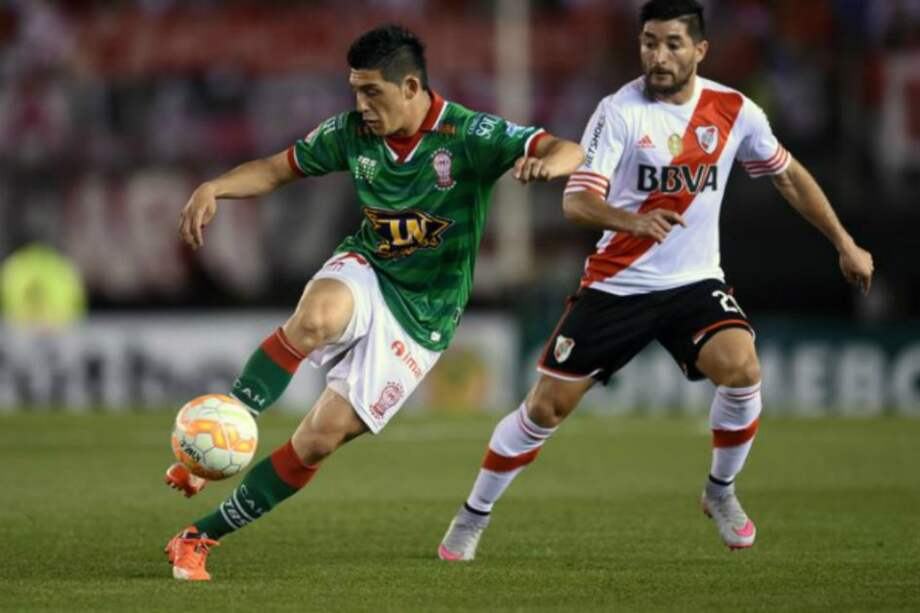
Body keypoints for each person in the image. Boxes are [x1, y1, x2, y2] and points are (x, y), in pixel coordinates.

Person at [437, 0, 874, 561]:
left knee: (742, 368)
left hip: (694, 283)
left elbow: (787, 177)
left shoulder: (734, 110)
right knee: (545, 409)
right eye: (649, 42)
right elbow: (578, 201)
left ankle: (719, 491)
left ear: (700, 50)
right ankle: (472, 517)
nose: (658, 56)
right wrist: (633, 220)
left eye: (671, 43)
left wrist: (844, 242)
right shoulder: (619, 111)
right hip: (618, 283)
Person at [162, 24, 584, 581]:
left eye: (371, 93)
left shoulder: (468, 134)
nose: (359, 106)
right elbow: (275, 169)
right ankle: (217, 436)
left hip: (424, 317)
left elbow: (565, 148)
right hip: (368, 268)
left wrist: (550, 164)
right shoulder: (351, 134)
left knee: (316, 441)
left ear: (410, 87)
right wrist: (213, 187)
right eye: (355, 91)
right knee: (315, 317)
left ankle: (197, 537)